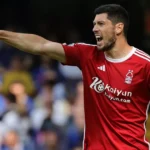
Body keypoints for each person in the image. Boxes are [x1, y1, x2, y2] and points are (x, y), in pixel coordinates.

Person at [0, 3, 149, 150]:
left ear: (119, 28)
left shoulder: (144, 65)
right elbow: (41, 46)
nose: (94, 29)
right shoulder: (87, 55)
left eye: (101, 24)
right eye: (94, 24)